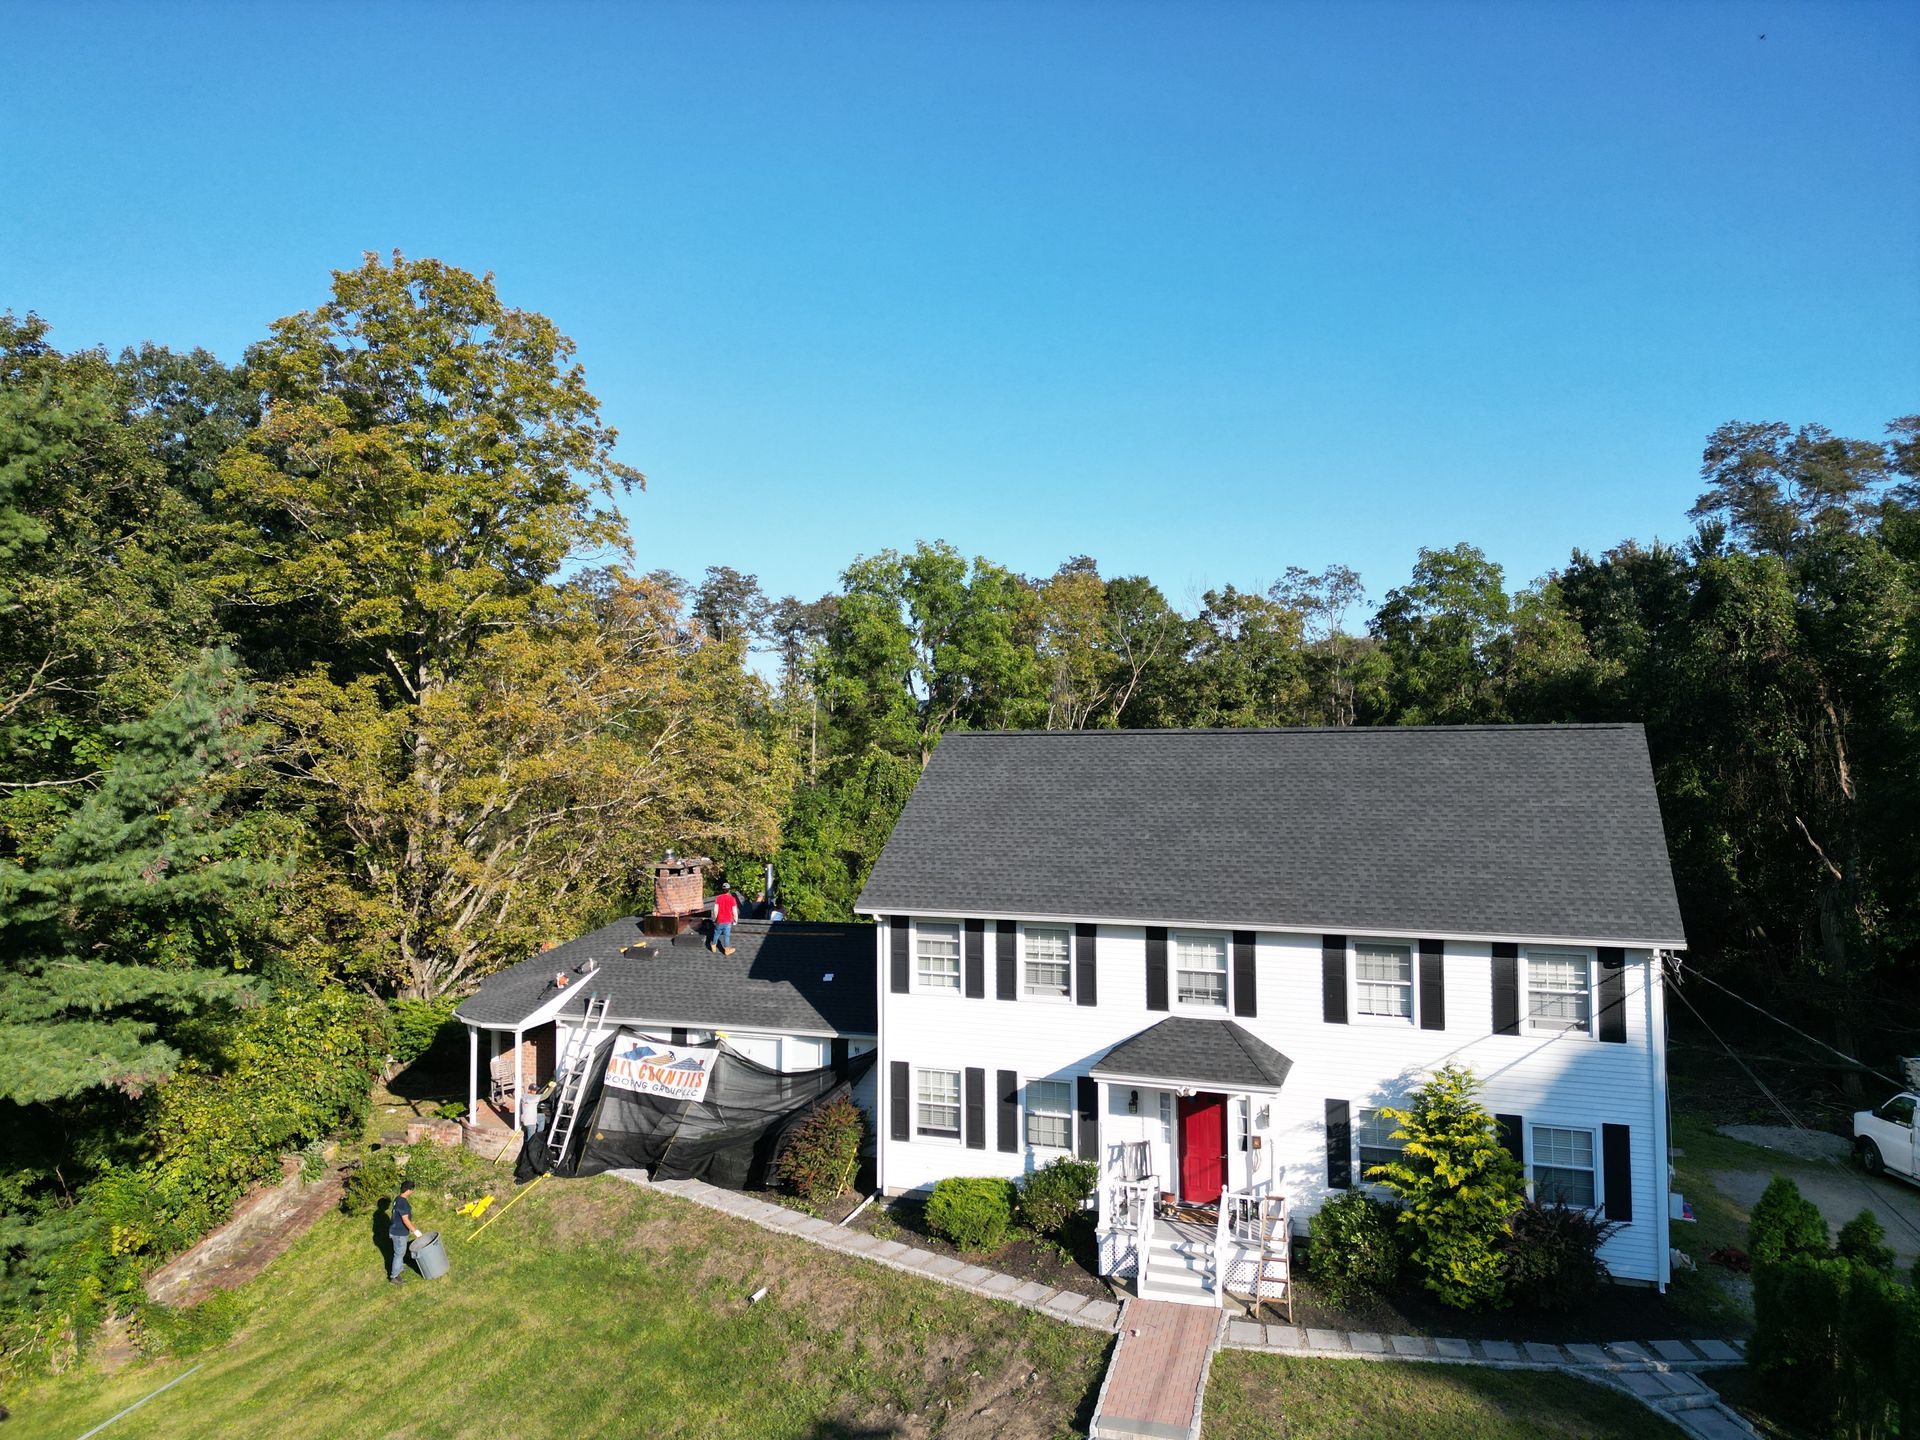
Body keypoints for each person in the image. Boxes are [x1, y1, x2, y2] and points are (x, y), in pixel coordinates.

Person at [388, 1180, 421, 1282]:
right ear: (409, 1190)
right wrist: (415, 1231)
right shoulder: (403, 1203)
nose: (412, 1192)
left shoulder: (397, 1199)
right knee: (399, 1254)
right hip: (399, 1233)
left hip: (395, 1230)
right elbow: (405, 1220)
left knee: (399, 1252)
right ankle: (394, 1276)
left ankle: (399, 1267)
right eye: (412, 1190)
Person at [709, 883, 739, 954]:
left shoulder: (718, 898)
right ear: (729, 890)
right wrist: (735, 920)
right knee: (726, 935)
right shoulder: (732, 899)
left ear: (722, 890)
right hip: (728, 920)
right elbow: (735, 911)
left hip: (719, 920)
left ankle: (713, 946)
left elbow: (715, 910)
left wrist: (716, 918)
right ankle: (727, 950)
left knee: (716, 933)